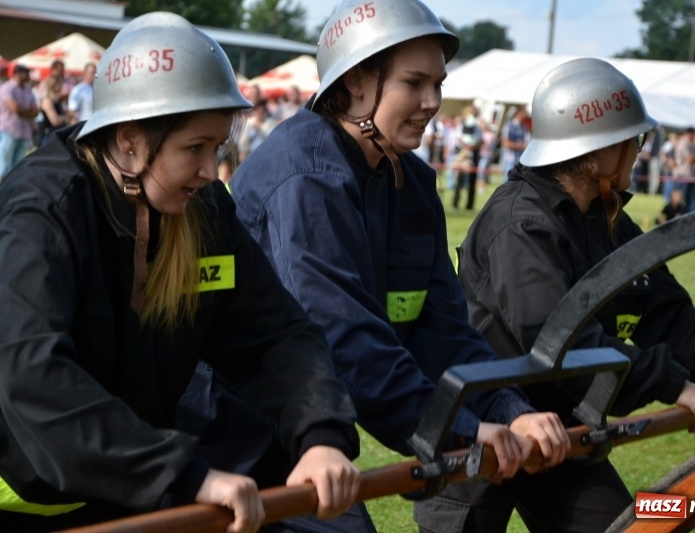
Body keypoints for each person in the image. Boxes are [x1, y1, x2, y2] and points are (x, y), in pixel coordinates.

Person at [0, 13, 362, 533]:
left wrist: (320, 434)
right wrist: (180, 472)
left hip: (130, 491)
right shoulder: (43, 213)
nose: (211, 171)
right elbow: (35, 377)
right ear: (129, 139)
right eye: (195, 148)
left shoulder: (202, 209)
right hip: (24, 498)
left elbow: (274, 333)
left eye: (218, 148)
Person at [231, 1, 571, 531]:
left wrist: (508, 409)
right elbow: (342, 337)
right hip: (229, 434)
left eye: (438, 84)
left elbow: (445, 331)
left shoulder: (411, 181)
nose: (432, 101)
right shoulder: (304, 178)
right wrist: (457, 430)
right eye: (414, 83)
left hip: (307, 429)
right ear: (356, 81)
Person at [457, 58, 695, 533]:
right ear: (599, 150)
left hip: (563, 433)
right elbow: (558, 342)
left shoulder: (607, 220)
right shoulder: (520, 224)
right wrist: (670, 383)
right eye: (634, 140)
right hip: (484, 430)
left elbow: (664, 313)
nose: (639, 152)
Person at [0, 64, 37, 180]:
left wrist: (22, 110)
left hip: (23, 133)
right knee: (4, 167)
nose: (28, 76)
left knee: (17, 169)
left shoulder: (28, 90)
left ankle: (10, 189)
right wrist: (27, 111)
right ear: (18, 73)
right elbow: (14, 108)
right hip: (8, 131)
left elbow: (36, 111)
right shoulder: (7, 88)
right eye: (26, 73)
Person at [34, 75, 69, 147]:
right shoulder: (47, 101)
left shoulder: (57, 101)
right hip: (47, 136)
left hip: (55, 134)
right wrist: (66, 119)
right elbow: (55, 121)